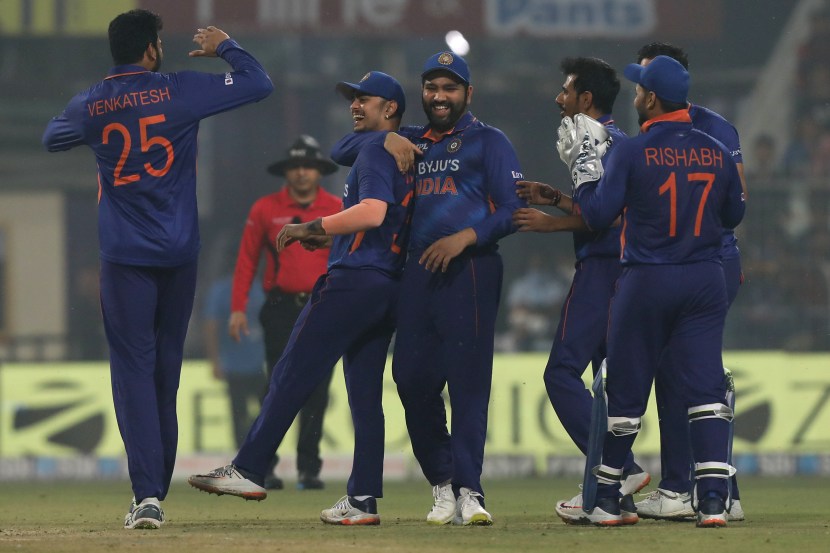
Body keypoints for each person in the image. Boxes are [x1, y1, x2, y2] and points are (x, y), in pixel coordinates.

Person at [41, 10, 273, 530]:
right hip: (178, 254)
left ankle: (147, 495)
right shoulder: (178, 89)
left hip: (125, 259)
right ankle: (154, 489)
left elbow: (52, 138)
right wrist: (227, 46)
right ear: (151, 49)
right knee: (165, 373)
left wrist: (95, 126)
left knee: (132, 374)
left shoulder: (95, 101)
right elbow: (259, 83)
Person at [188, 71, 413, 526]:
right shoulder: (393, 151)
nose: (354, 105)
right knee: (365, 397)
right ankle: (363, 499)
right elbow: (338, 154)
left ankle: (249, 468)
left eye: (363, 99)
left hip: (351, 281)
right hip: (388, 283)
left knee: (291, 370)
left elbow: (372, 212)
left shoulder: (375, 150)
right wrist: (395, 136)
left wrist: (315, 227)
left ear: (389, 108)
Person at [330, 51, 526, 526]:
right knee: (411, 380)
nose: (439, 97)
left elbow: (511, 210)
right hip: (417, 274)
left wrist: (465, 237)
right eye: (432, 88)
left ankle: (470, 491)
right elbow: (340, 150)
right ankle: (442, 482)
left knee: (467, 383)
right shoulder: (412, 141)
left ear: (468, 94)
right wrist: (390, 135)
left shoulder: (489, 142)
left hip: (472, 269)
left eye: (450, 88)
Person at [554, 55, 745, 527]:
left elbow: (598, 214)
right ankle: (715, 501)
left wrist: (581, 171)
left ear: (651, 98)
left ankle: (603, 497)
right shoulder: (716, 151)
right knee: (703, 388)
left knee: (624, 389)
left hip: (648, 278)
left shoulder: (633, 150)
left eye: (640, 90)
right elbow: (734, 214)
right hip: (704, 280)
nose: (635, 96)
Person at [511, 58, 650, 511]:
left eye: (566, 91)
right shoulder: (623, 141)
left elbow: (600, 217)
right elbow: (613, 208)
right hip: (627, 270)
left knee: (560, 372)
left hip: (602, 269)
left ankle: (619, 470)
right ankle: (614, 498)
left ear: (585, 99)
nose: (559, 99)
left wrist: (548, 222)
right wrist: (555, 197)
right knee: (605, 385)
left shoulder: (590, 142)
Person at [631, 43, 747, 523]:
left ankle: (681, 487)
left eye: (644, 78)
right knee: (691, 374)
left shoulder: (711, 128)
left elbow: (734, 205)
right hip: (704, 263)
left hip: (701, 263)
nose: (638, 87)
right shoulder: (710, 128)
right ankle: (721, 489)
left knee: (684, 375)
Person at [230, 135, 342, 490]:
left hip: (323, 306)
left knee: (318, 388)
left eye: (308, 166)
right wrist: (237, 308)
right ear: (286, 172)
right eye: (295, 167)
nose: (301, 173)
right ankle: (265, 464)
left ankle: (309, 467)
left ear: (319, 171)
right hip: (280, 307)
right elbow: (247, 259)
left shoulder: (338, 207)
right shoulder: (264, 209)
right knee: (277, 386)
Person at [204, 274, 266, 449]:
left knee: (241, 415)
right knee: (252, 413)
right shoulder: (256, 288)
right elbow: (211, 325)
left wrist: (215, 361)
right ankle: (252, 451)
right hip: (244, 364)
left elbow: (210, 324)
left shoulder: (224, 290)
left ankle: (246, 452)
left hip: (248, 363)